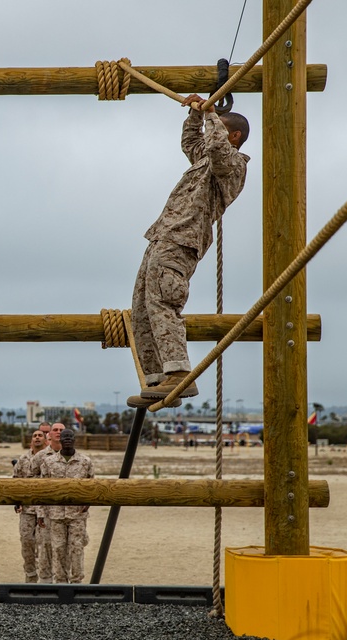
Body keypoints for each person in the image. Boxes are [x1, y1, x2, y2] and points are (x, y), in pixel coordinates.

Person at [128, 94, 250, 410]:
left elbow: (216, 149)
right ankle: (158, 379)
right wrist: (197, 114)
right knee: (142, 306)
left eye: (220, 128)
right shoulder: (205, 160)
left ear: (232, 136)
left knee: (163, 301)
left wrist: (211, 113)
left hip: (182, 241)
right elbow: (191, 142)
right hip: (163, 236)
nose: (213, 132)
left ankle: (180, 372)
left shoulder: (232, 165)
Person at [37, 429, 95, 584]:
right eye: (65, 438)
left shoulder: (85, 462)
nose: (68, 440)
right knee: (58, 549)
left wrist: (88, 502)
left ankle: (76, 582)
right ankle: (61, 582)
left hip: (77, 514)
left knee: (77, 548)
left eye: (70, 437)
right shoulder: (49, 462)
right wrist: (40, 513)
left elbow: (93, 486)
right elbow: (43, 489)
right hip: (55, 514)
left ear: (74, 440)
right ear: (60, 441)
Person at [13, 430, 46, 582]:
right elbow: (16, 480)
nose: (37, 437)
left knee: (43, 544)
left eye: (40, 435)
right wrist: (16, 500)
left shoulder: (50, 458)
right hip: (27, 509)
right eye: (34, 436)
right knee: (26, 541)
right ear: (31, 441)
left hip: (44, 510)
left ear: (45, 440)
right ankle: (30, 574)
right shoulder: (23, 459)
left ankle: (44, 577)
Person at [35, 421, 65, 582]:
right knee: (45, 547)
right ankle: (45, 581)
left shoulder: (75, 457)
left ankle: (62, 581)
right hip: (46, 510)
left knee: (63, 548)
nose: (58, 432)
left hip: (66, 512)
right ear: (50, 434)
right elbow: (30, 480)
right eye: (55, 430)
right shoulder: (40, 457)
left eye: (62, 430)